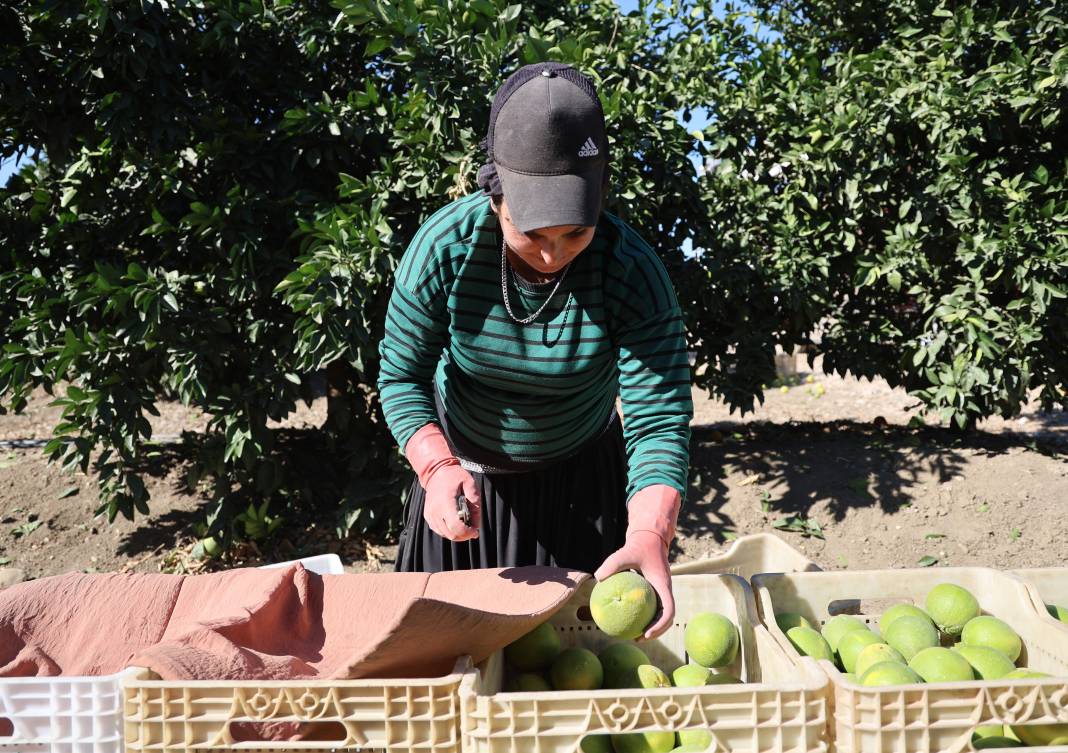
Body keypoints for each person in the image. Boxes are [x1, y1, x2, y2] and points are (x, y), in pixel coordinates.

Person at [377, 62, 692, 639]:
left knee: (573, 663)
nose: (553, 255)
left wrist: (650, 533)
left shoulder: (631, 272)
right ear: (494, 195)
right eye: (532, 233)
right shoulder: (444, 250)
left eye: (575, 232)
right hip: (465, 476)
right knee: (451, 669)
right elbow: (402, 377)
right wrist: (435, 467)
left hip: (580, 481)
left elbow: (659, 419)